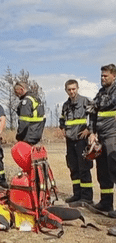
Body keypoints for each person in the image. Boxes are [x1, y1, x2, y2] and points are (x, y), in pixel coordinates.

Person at [88, 64, 116, 236]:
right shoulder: (100, 92)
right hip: (101, 137)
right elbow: (91, 111)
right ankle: (106, 202)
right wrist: (92, 133)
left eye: (105, 76)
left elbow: (106, 103)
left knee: (115, 170)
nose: (102, 78)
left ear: (114, 76)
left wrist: (95, 104)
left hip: (114, 135)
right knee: (103, 171)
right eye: (101, 76)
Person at [59, 79, 93, 204]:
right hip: (70, 140)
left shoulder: (86, 101)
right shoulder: (65, 105)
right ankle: (77, 195)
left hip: (81, 140)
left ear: (77, 88)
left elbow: (94, 117)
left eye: (74, 89)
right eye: (69, 89)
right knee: (73, 167)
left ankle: (87, 197)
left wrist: (89, 130)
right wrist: (62, 128)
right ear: (66, 90)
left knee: (84, 167)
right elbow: (62, 119)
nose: (72, 91)